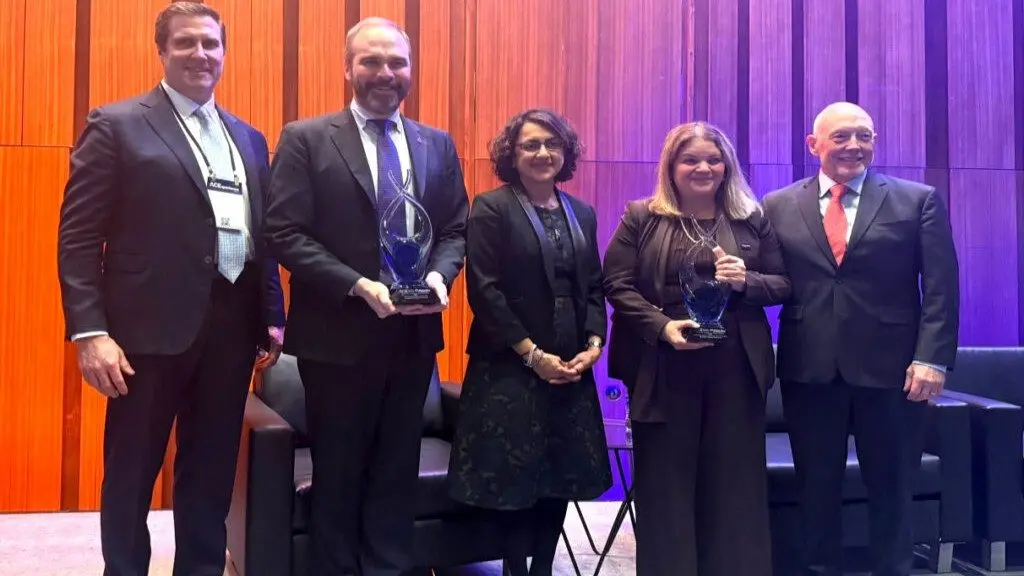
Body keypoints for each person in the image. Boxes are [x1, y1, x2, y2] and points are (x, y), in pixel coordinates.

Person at [56, 3, 286, 575]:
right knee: (132, 470)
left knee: (211, 469)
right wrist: (90, 332)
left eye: (210, 43)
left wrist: (271, 313)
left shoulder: (249, 138)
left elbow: (261, 234)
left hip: (232, 326)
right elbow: (78, 237)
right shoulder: (117, 125)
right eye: (185, 43)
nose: (200, 54)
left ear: (224, 53)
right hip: (144, 332)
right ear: (161, 51)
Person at [264, 17, 469, 576]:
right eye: (372, 61)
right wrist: (356, 284)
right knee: (338, 471)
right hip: (335, 336)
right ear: (348, 67)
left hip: (412, 335)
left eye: (397, 62)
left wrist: (439, 277)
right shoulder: (306, 138)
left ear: (411, 69)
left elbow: (455, 229)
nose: (385, 73)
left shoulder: (436, 144)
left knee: (397, 469)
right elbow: (284, 232)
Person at [763, 101, 960, 576]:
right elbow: (771, 279)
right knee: (816, 490)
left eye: (864, 136)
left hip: (894, 372)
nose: (854, 145)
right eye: (841, 136)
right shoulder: (777, 205)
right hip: (809, 369)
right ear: (814, 145)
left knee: (892, 489)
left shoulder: (917, 200)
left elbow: (941, 287)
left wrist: (932, 359)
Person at [602, 122, 790, 575]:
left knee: (733, 486)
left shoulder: (752, 219)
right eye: (690, 159)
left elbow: (784, 283)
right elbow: (615, 283)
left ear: (727, 166)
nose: (703, 168)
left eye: (713, 159)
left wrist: (747, 281)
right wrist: (662, 327)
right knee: (665, 485)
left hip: (736, 366)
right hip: (662, 363)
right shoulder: (642, 217)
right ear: (672, 166)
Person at [447, 109, 612, 576]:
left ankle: (543, 567)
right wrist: (532, 355)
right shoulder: (491, 207)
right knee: (515, 476)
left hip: (570, 363)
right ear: (512, 154)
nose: (543, 153)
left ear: (566, 152)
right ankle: (515, 568)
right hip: (509, 363)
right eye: (530, 145)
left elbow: (593, 284)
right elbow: (485, 290)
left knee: (560, 472)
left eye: (552, 144)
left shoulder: (582, 212)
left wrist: (594, 343)